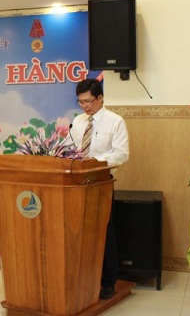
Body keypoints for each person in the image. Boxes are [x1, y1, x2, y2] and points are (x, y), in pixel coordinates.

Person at [70, 78, 129, 300]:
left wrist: (93, 163)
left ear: (101, 98)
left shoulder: (115, 121)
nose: (85, 106)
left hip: (101, 183)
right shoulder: (77, 122)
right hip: (76, 184)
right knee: (79, 231)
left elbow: (121, 154)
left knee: (104, 231)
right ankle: (84, 278)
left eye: (88, 101)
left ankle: (108, 281)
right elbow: (70, 148)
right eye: (81, 102)